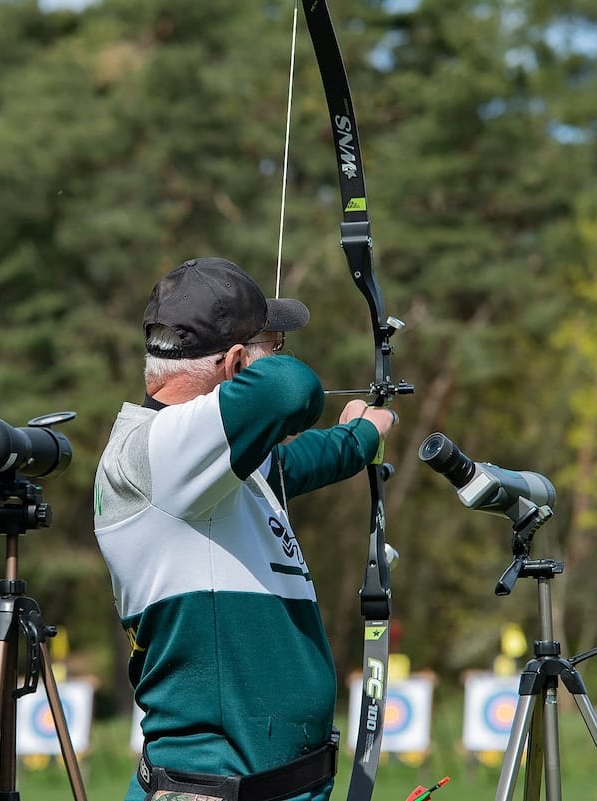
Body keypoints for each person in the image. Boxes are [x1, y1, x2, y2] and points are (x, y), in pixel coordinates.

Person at [93, 257, 398, 801]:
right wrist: (277, 373)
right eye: (271, 345)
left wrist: (363, 435)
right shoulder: (153, 453)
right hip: (214, 792)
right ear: (236, 363)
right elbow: (290, 389)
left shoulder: (212, 466)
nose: (280, 356)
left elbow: (301, 460)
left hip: (275, 787)